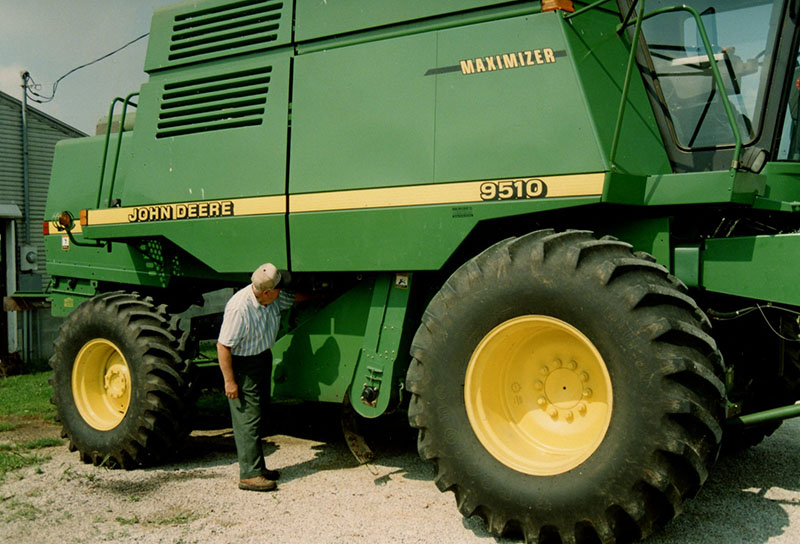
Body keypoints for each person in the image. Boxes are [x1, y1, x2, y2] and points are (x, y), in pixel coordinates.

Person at [217, 263, 295, 492]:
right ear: (267, 292)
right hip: (243, 365)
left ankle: (258, 468)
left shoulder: (272, 297)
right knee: (247, 419)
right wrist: (230, 382)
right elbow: (222, 346)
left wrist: (323, 295)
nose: (282, 293)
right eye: (279, 290)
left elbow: (294, 299)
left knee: (258, 413)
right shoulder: (239, 308)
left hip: (262, 359)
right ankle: (249, 475)